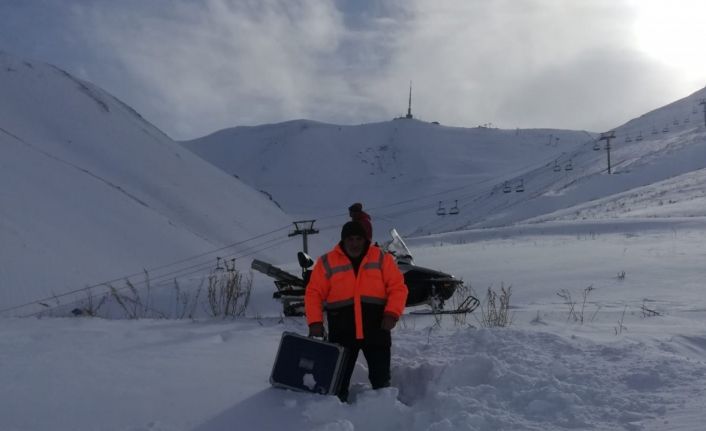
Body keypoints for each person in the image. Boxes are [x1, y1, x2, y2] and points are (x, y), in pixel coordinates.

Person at [305, 221, 408, 402]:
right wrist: (315, 322)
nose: (354, 243)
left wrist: (392, 313)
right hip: (342, 330)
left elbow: (398, 288)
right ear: (343, 240)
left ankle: (385, 410)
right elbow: (313, 293)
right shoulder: (326, 262)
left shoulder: (381, 258)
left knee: (381, 380)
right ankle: (336, 416)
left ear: (365, 239)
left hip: (377, 328)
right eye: (350, 239)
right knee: (338, 381)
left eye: (358, 238)